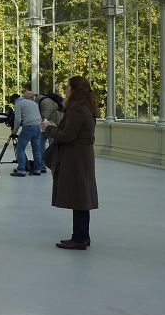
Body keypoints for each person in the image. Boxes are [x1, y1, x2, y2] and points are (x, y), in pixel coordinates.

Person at [40, 76, 99, 250]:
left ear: (74, 90)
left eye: (67, 87)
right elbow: (73, 131)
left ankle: (79, 239)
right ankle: (82, 236)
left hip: (75, 158)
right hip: (82, 156)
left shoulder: (76, 109)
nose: (65, 90)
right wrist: (56, 126)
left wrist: (49, 129)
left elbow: (68, 136)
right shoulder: (86, 107)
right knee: (81, 197)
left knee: (78, 198)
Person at [10, 90, 43, 177]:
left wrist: (15, 131)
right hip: (38, 127)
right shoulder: (34, 103)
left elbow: (18, 119)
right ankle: (37, 170)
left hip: (29, 127)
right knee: (36, 150)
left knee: (20, 148)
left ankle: (21, 170)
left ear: (14, 101)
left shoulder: (19, 104)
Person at [35, 92, 64, 173]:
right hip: (54, 125)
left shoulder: (44, 101)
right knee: (53, 147)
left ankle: (43, 166)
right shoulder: (55, 102)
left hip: (47, 126)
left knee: (41, 146)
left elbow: (45, 116)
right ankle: (54, 165)